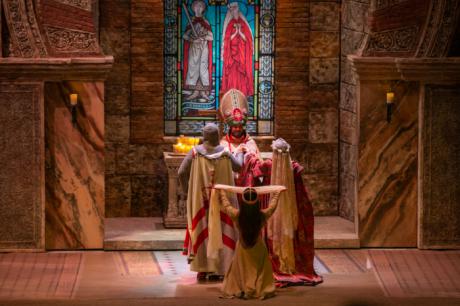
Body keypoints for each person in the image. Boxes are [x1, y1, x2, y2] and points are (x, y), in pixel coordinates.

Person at [219, 89, 323, 287]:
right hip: (234, 190)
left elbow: (256, 164)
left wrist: (249, 159)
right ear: (229, 128)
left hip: (248, 195)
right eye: (235, 128)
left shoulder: (250, 142)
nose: (238, 130)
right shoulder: (224, 144)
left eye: (241, 127)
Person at [178, 123, 244, 281]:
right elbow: (239, 167)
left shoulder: (194, 153)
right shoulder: (226, 153)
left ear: (204, 136)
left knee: (203, 227)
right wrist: (241, 153)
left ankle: (203, 268)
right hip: (222, 200)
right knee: (222, 229)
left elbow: (181, 172)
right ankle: (221, 268)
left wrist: (188, 190)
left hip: (201, 199)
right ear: (216, 136)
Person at [214, 184, 286, 299]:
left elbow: (226, 205)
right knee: (259, 271)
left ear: (243, 203)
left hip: (242, 249)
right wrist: (278, 193)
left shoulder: (237, 215)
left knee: (242, 270)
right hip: (259, 249)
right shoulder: (262, 215)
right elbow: (272, 206)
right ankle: (256, 288)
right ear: (257, 202)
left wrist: (222, 192)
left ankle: (243, 288)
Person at [221, 2, 254, 97]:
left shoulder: (243, 23)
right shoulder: (230, 24)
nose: (233, 10)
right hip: (232, 55)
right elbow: (227, 40)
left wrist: (240, 32)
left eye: (235, 8)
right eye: (231, 9)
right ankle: (232, 94)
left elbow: (247, 40)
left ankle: (242, 94)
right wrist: (236, 32)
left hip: (242, 54)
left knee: (242, 74)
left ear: (238, 8)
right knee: (232, 74)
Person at [183, 0, 213, 101]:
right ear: (193, 8)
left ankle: (203, 92)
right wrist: (193, 40)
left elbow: (211, 37)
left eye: (201, 6)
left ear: (203, 9)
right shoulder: (191, 21)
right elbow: (185, 36)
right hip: (193, 49)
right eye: (197, 6)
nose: (198, 8)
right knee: (193, 68)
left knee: (203, 68)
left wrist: (203, 37)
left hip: (204, 48)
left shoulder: (206, 22)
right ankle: (195, 92)